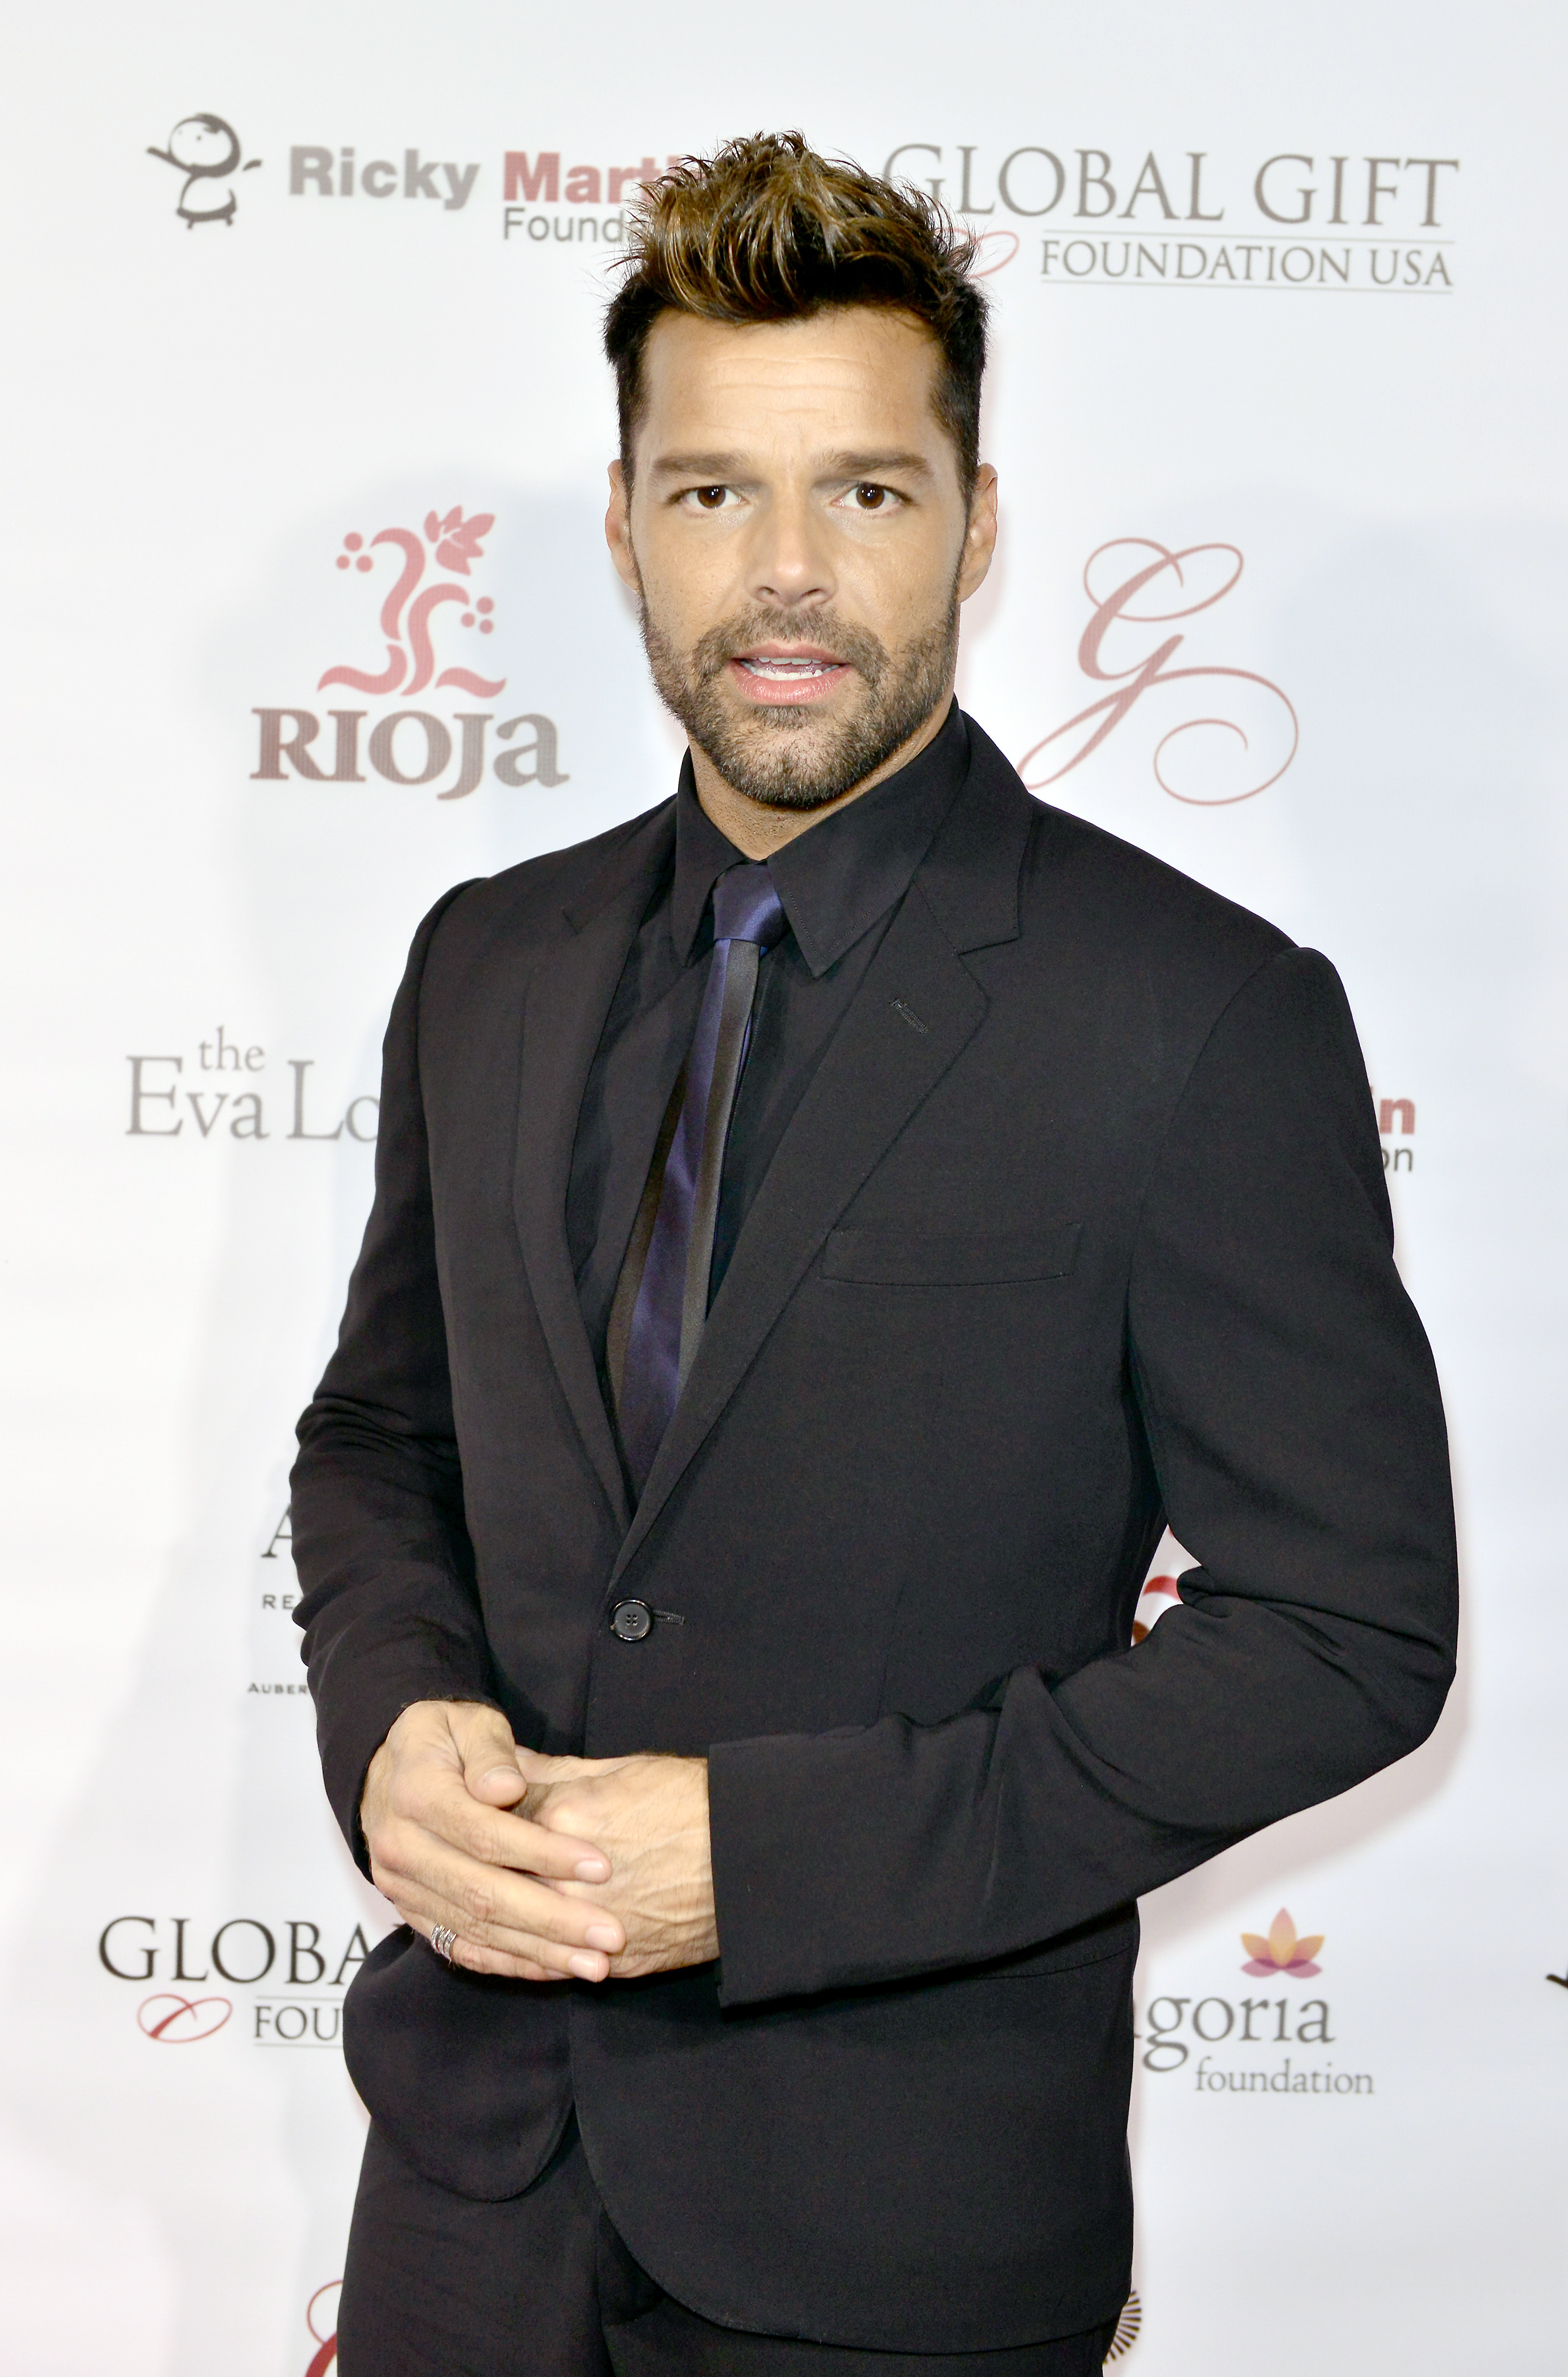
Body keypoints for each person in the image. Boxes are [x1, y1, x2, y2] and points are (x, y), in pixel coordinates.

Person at [292, 132, 1458, 2375]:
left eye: (872, 495)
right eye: (717, 494)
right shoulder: (486, 961)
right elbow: (380, 1433)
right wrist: (393, 1720)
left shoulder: (1192, 1011)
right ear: (626, 523)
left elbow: (1346, 1628)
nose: (790, 576)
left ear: (980, 528)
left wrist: (775, 1856)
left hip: (899, 2250)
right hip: (466, 2196)